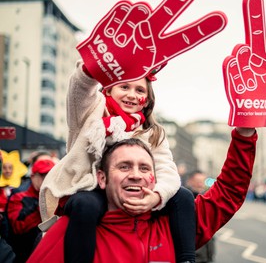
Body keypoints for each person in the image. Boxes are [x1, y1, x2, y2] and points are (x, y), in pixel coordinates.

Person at [39, 61, 195, 263]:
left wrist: (155, 197)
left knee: (183, 196)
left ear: (146, 101)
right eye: (124, 86)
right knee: (85, 206)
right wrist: (98, 62)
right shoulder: (89, 114)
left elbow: (167, 172)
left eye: (139, 89)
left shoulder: (154, 133)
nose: (131, 94)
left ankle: (187, 259)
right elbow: (80, 87)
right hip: (91, 190)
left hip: (135, 191)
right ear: (109, 90)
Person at [28, 127, 257, 262]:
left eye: (145, 168)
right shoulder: (72, 229)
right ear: (102, 178)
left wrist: (245, 131)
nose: (136, 175)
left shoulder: (177, 225)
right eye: (124, 166)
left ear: (154, 180)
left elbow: (228, 192)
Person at [5, 159, 55, 263]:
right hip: (24, 254)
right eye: (43, 175)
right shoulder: (19, 195)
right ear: (33, 176)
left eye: (51, 174)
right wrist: (39, 206)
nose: (47, 179)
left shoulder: (55, 194)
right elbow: (17, 228)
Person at [185, 170, 216, 263]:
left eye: (202, 181)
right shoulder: (184, 200)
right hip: (194, 256)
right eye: (198, 181)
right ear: (190, 181)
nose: (200, 184)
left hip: (206, 255)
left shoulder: (206, 198)